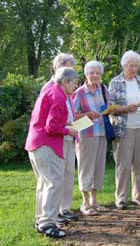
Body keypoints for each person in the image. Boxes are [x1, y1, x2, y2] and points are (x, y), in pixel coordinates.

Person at [25, 67, 78, 238]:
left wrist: (66, 124)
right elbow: (52, 127)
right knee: (54, 182)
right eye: (74, 82)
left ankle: (41, 219)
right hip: (46, 145)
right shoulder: (59, 96)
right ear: (65, 81)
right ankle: (48, 223)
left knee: (44, 183)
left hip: (35, 143)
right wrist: (69, 131)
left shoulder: (50, 92)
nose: (76, 86)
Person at [40, 53, 80, 223]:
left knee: (68, 173)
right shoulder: (50, 87)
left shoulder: (68, 87)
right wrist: (66, 128)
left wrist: (74, 122)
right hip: (55, 137)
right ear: (60, 66)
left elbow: (67, 110)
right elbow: (47, 119)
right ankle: (51, 215)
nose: (74, 71)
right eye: (71, 66)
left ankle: (64, 208)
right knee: (54, 177)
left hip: (68, 133)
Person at [109, 51, 140, 209]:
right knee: (123, 164)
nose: (134, 68)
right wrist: (126, 108)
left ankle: (137, 196)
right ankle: (120, 198)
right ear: (123, 65)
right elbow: (110, 108)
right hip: (123, 128)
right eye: (131, 65)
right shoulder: (115, 82)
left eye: (136, 65)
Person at [73, 61, 111, 215]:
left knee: (98, 168)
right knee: (86, 168)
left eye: (98, 73)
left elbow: (109, 106)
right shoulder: (80, 92)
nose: (95, 75)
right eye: (92, 73)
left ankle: (95, 201)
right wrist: (88, 114)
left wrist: (111, 109)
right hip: (86, 135)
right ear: (85, 75)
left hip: (102, 133)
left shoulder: (103, 89)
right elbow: (72, 116)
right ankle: (85, 203)